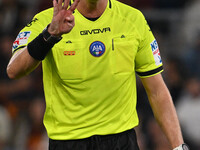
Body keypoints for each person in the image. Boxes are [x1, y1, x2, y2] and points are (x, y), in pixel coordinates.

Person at [7, 0, 189, 149]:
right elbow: (14, 70)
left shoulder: (133, 20)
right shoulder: (47, 20)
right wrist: (50, 35)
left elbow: (157, 90)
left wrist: (178, 146)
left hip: (121, 141)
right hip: (68, 141)